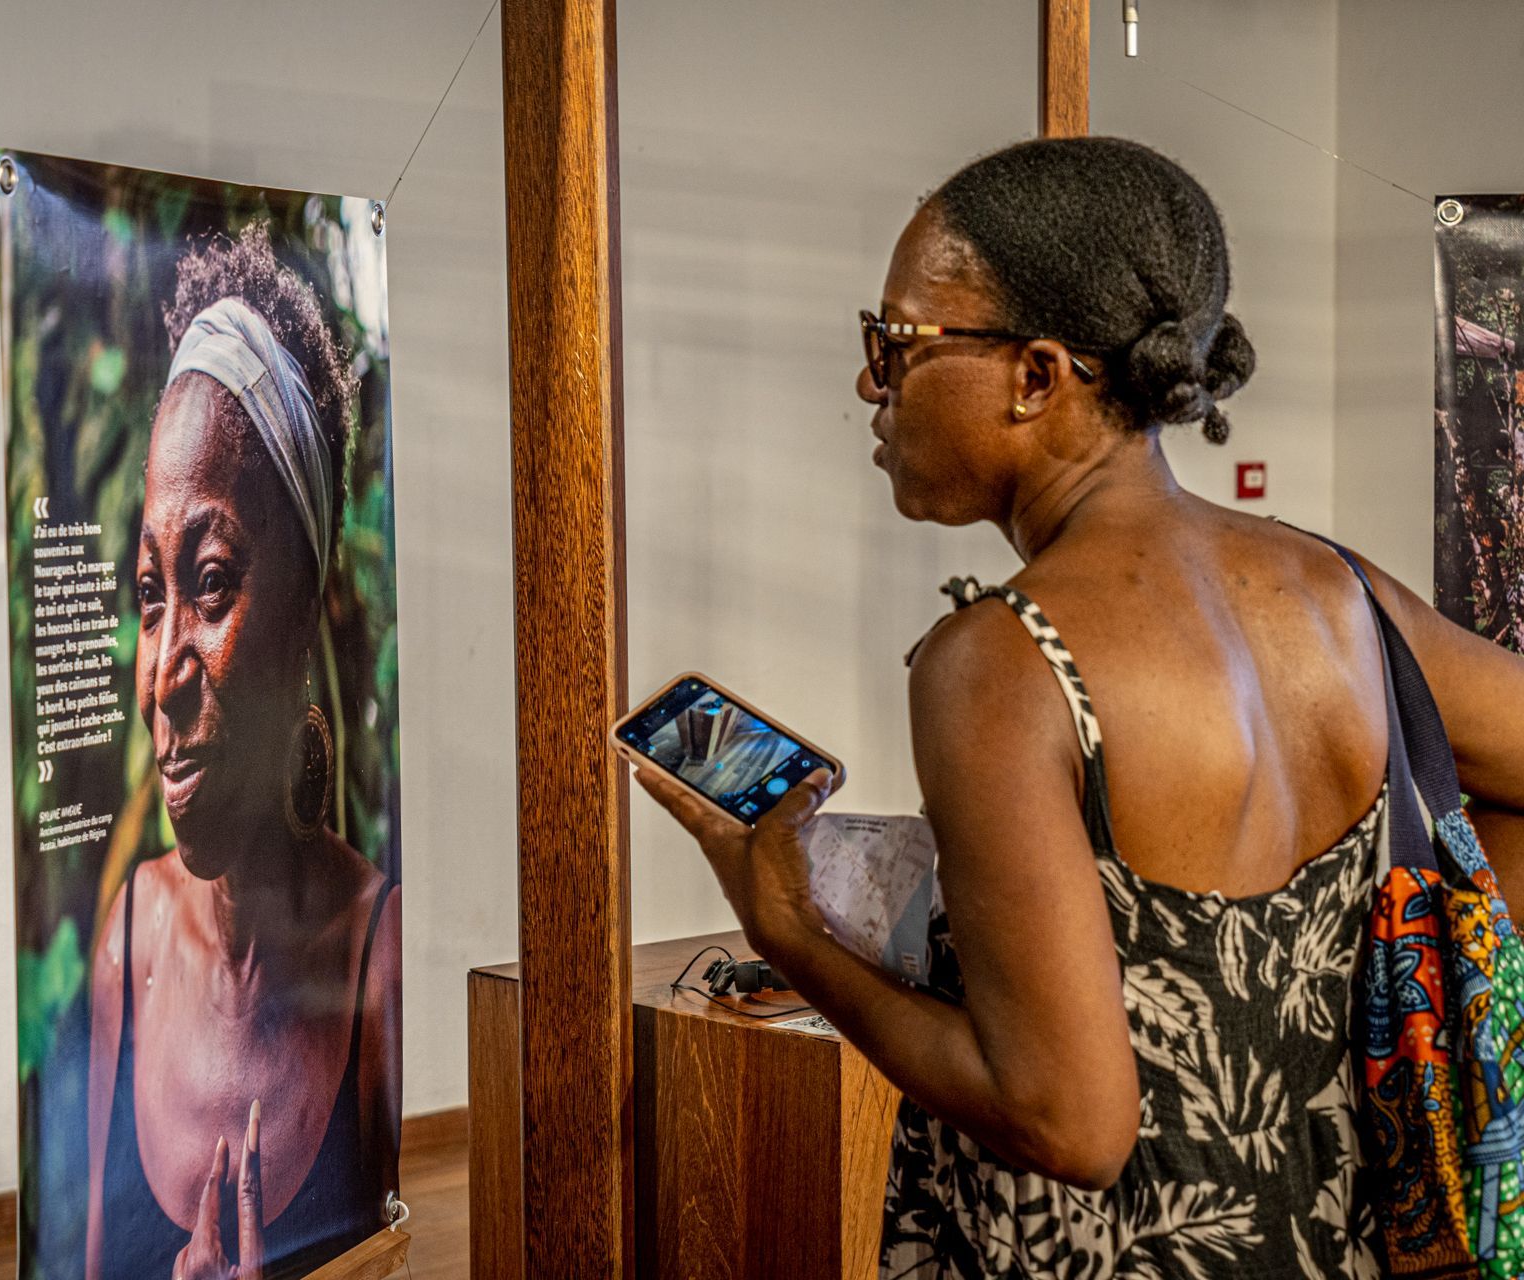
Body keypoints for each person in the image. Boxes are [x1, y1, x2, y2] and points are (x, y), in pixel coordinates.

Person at [636, 136, 1524, 1277]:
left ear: (1038, 375)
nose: (871, 383)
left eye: (894, 342)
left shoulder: (1002, 662)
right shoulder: (1339, 590)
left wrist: (787, 929)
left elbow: (1070, 1124)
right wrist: (1452, 957)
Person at [85, 227, 401, 1280]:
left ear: (306, 604)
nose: (163, 672)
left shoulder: (376, 963)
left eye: (212, 580)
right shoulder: (127, 945)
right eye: (150, 593)